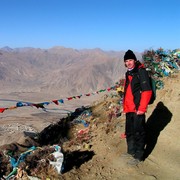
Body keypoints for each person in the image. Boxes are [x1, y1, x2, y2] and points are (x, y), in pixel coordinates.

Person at [122, 50, 152, 165]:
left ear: (134, 60)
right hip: (129, 108)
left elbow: (147, 91)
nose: (128, 63)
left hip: (137, 108)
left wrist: (142, 108)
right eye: (126, 61)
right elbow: (127, 91)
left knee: (139, 132)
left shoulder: (141, 72)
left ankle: (139, 156)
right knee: (129, 131)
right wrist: (125, 107)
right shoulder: (128, 73)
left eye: (130, 60)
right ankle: (131, 151)